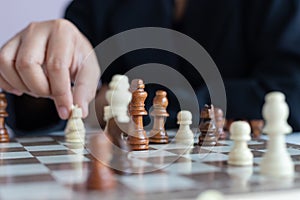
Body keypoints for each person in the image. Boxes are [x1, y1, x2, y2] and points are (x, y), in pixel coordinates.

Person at [1, 0, 300, 134]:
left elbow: (290, 92)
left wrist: (130, 108)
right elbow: (43, 104)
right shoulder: (97, 5)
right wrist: (36, 65)